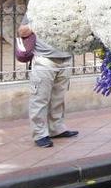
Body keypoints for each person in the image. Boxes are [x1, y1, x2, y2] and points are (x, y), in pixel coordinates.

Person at [16, 19, 79, 148]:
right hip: (44, 60)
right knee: (40, 99)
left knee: (58, 98)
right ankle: (40, 134)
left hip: (66, 58)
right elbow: (22, 31)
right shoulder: (38, 5)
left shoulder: (70, 6)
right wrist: (42, 21)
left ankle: (57, 129)